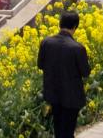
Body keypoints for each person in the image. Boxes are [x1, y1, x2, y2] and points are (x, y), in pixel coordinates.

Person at [36, 10, 91, 138]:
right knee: (67, 131)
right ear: (75, 27)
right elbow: (85, 72)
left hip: (53, 94)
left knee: (58, 129)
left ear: (60, 24)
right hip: (71, 98)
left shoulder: (46, 42)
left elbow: (40, 65)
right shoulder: (78, 48)